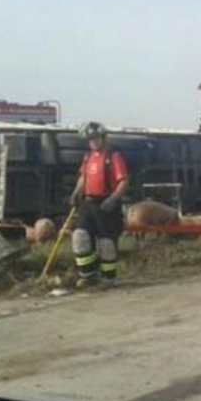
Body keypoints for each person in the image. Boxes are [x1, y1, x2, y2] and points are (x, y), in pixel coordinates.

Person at [69, 122, 129, 288]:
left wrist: (113, 199)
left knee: (106, 243)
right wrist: (76, 193)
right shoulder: (88, 157)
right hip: (88, 204)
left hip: (106, 205)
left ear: (103, 138)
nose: (93, 142)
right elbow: (84, 177)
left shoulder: (113, 156)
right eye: (90, 139)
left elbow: (123, 181)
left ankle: (108, 278)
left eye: (96, 138)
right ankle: (87, 275)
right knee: (80, 236)